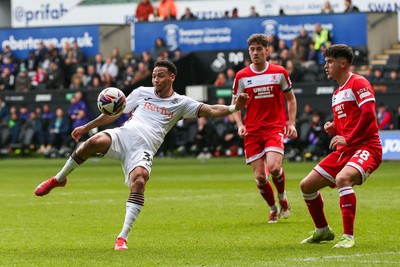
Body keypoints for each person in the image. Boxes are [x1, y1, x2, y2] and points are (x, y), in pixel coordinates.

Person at [34, 60, 249, 250]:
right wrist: (86, 127)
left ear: (172, 77)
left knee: (139, 181)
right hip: (124, 136)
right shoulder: (141, 92)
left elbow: (211, 109)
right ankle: (58, 179)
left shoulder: (181, 103)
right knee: (93, 141)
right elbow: (115, 112)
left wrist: (233, 108)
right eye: (154, 75)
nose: (155, 79)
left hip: (143, 149)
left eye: (160, 76)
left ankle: (122, 237)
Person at [300, 44, 382, 248]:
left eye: (329, 62)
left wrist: (348, 138)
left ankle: (348, 237)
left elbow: (369, 115)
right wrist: (334, 127)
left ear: (343, 63)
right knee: (306, 186)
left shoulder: (359, 83)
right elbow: (348, 121)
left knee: (343, 179)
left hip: (366, 147)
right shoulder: (337, 93)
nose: (325, 66)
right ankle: (322, 231)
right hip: (346, 150)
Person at [231, 34, 297, 223]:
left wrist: (291, 123)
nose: (255, 52)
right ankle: (273, 208)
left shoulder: (279, 72)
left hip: (274, 128)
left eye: (259, 49)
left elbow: (291, 99)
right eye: (252, 49)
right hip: (252, 131)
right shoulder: (242, 76)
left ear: (267, 51)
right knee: (260, 177)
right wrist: (240, 125)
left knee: (275, 167)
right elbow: (235, 105)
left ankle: (283, 197)